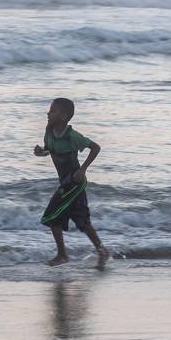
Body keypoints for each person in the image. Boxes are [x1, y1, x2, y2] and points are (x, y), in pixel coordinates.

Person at [35, 97, 110, 267]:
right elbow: (49, 150)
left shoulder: (72, 136)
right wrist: (41, 152)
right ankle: (102, 251)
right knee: (81, 219)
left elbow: (96, 147)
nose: (48, 113)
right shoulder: (49, 131)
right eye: (49, 110)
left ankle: (62, 255)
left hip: (74, 183)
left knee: (51, 215)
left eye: (52, 111)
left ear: (63, 116)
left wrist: (82, 169)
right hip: (65, 183)